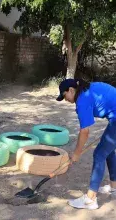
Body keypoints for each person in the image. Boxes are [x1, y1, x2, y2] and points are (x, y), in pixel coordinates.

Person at [56, 79, 116, 210]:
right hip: (114, 118)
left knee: (99, 154)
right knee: (108, 150)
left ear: (71, 90)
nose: (65, 99)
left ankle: (90, 200)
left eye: (65, 95)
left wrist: (76, 153)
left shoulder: (82, 101)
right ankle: (114, 187)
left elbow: (84, 132)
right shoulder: (86, 90)